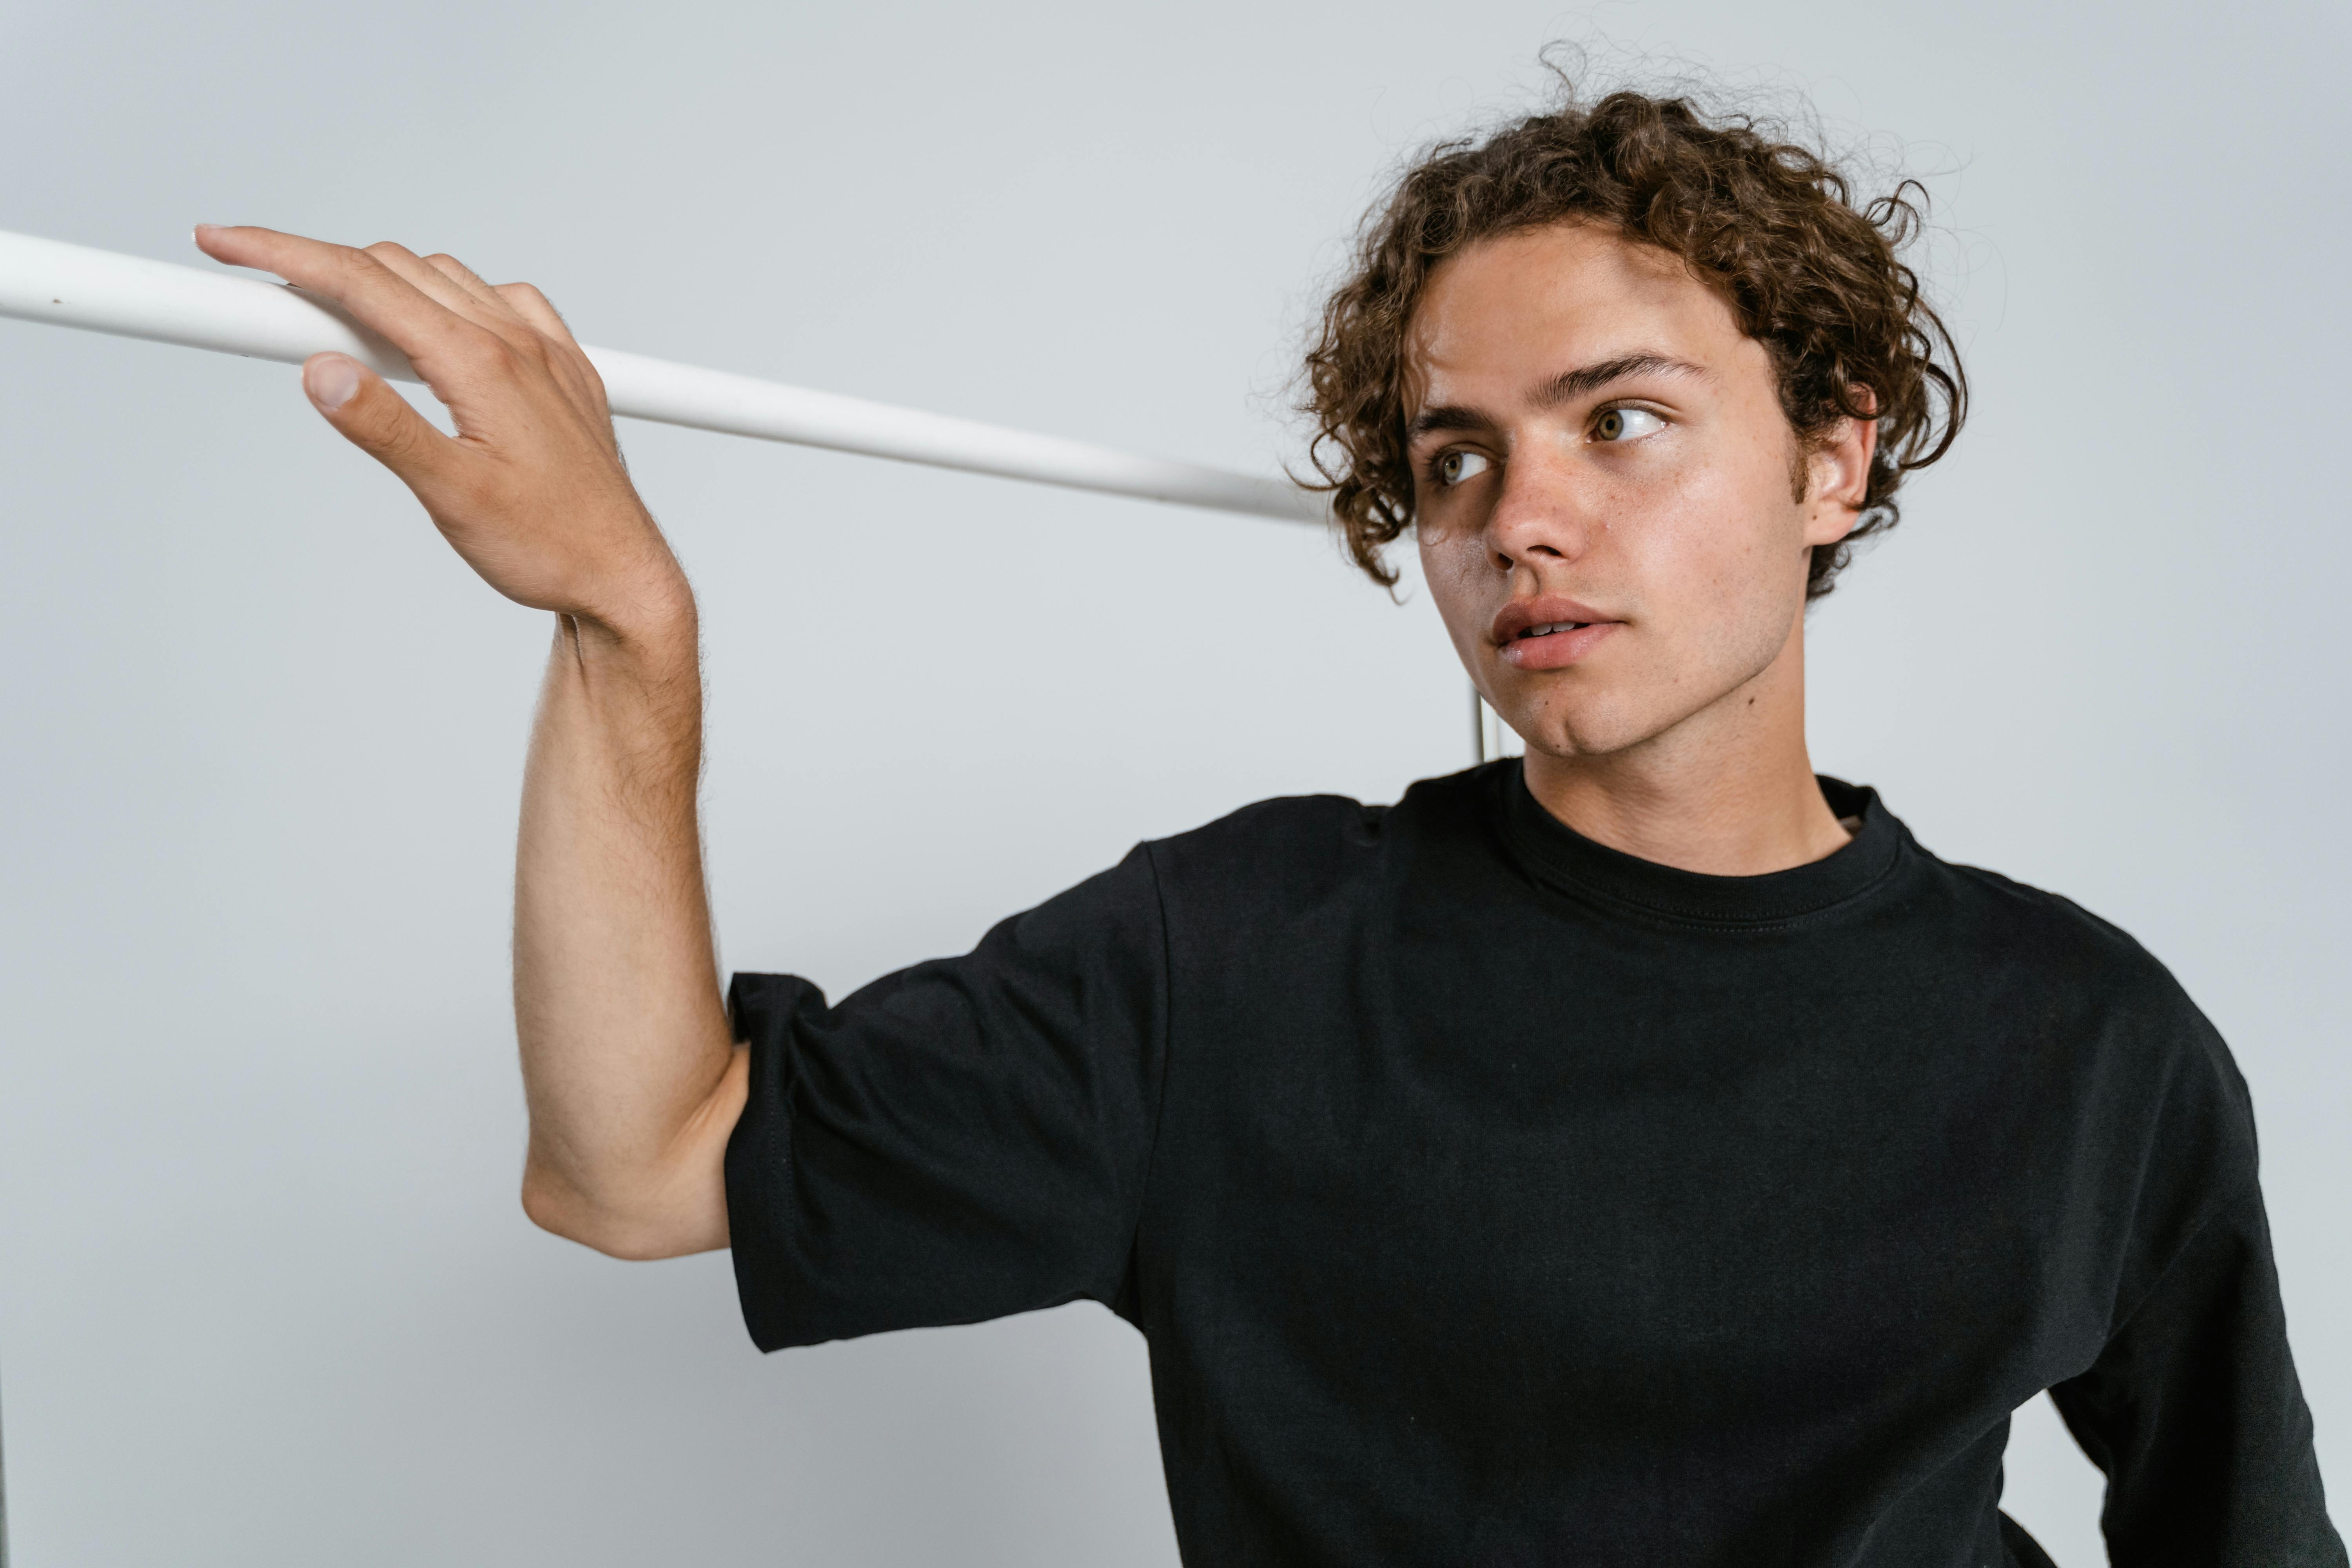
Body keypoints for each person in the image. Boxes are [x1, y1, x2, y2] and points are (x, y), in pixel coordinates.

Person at [194, 80, 2341, 1568]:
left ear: (1833, 460)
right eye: (1456, 460)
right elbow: (634, 1169)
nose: (1530, 520)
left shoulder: (2087, 1039)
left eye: (1622, 421)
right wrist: (620, 625)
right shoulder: (1235, 961)